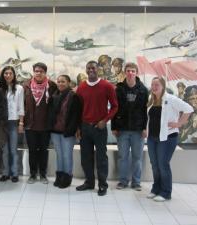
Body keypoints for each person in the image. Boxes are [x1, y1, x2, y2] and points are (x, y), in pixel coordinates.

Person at [147, 77, 193, 201]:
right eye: (152, 84)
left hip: (167, 138)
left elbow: (189, 109)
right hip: (152, 138)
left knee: (163, 165)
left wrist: (179, 124)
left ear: (163, 86)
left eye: (157, 84)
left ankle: (166, 192)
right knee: (155, 165)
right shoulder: (151, 100)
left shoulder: (171, 99)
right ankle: (156, 189)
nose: (154, 87)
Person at [76, 60, 118, 196]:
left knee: (101, 157)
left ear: (98, 69)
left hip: (99, 128)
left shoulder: (107, 86)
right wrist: (78, 128)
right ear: (86, 70)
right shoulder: (81, 87)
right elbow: (78, 110)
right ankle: (89, 182)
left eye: (93, 68)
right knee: (85, 157)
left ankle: (102, 185)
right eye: (88, 68)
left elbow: (115, 106)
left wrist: (105, 120)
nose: (91, 70)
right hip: (85, 128)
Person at [111, 62, 148, 191]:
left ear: (136, 73)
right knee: (123, 157)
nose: (130, 73)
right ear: (125, 72)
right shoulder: (119, 89)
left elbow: (145, 110)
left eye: (133, 71)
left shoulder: (143, 90)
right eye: (128, 70)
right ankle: (123, 181)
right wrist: (114, 127)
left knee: (137, 157)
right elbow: (115, 109)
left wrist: (145, 128)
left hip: (138, 130)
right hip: (122, 129)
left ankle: (136, 182)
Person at [23, 62, 57, 184]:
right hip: (30, 125)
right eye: (36, 71)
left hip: (45, 126)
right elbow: (22, 106)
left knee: (43, 151)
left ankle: (43, 174)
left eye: (41, 71)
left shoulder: (52, 86)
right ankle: (32, 174)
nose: (38, 73)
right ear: (33, 72)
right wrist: (21, 122)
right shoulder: (26, 86)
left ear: (45, 73)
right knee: (32, 151)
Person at [48, 75, 81, 188]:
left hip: (67, 131)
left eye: (63, 81)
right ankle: (59, 175)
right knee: (59, 155)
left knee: (67, 155)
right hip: (55, 131)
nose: (60, 84)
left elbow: (76, 115)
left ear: (68, 83)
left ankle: (67, 176)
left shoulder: (73, 96)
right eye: (59, 81)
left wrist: (75, 129)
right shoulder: (54, 95)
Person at [0, 66, 24, 183]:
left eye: (10, 73)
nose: (8, 75)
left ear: (14, 75)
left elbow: (21, 107)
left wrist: (21, 123)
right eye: (5, 73)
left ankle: (14, 173)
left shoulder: (19, 88)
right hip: (2, 123)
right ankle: (5, 173)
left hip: (14, 122)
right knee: (4, 150)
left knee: (13, 150)